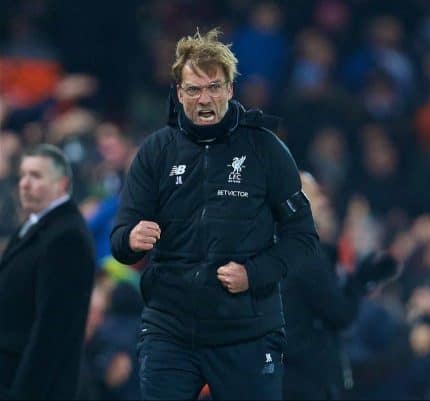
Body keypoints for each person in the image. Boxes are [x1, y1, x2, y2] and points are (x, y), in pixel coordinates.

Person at [110, 28, 318, 400]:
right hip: (169, 330)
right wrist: (130, 238)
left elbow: (302, 237)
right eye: (193, 89)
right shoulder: (155, 152)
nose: (204, 98)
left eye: (214, 87)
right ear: (178, 93)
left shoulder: (265, 149)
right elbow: (120, 239)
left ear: (230, 90)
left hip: (247, 333)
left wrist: (254, 274)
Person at [282, 171, 398, 400]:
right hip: (304, 382)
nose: (324, 201)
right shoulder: (306, 253)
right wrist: (360, 281)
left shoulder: (284, 246)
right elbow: (340, 313)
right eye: (314, 196)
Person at [0, 144, 95, 399]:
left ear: (62, 184)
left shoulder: (67, 237)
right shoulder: (34, 225)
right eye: (23, 175)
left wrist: (24, 394)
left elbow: (53, 329)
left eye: (36, 176)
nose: (24, 184)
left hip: (30, 385)